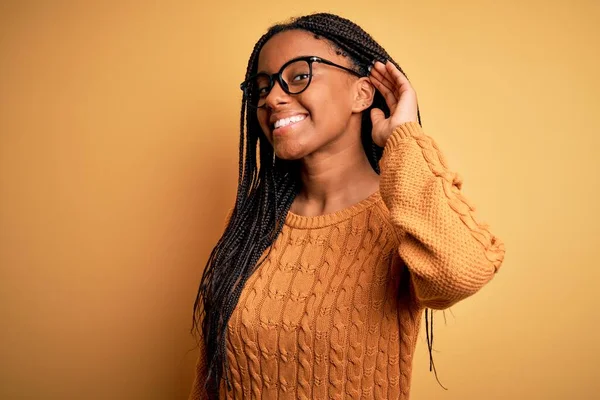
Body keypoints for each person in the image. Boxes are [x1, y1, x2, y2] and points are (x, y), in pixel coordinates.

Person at [189, 12, 505, 400]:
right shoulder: (254, 220)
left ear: (362, 93)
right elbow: (213, 376)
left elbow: (463, 272)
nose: (272, 97)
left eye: (299, 75)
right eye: (262, 87)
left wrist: (403, 138)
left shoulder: (401, 218)